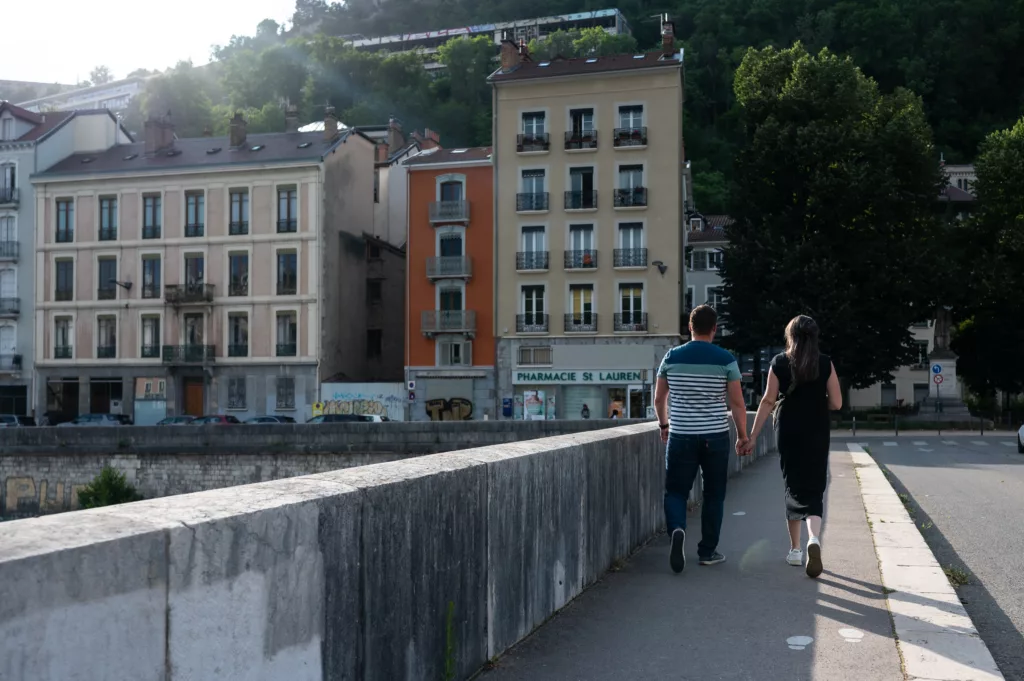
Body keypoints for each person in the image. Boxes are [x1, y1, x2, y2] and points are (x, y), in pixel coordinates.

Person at [745, 315, 842, 578]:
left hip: (788, 428)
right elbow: (837, 403)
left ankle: (795, 550)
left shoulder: (779, 362)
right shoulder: (825, 363)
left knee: (793, 484)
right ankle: (814, 539)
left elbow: (767, 401)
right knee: (814, 486)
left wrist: (752, 436)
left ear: (791, 336)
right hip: (817, 429)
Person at [654, 305, 749, 573]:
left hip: (681, 434)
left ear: (690, 328)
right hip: (715, 436)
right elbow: (738, 404)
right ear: (715, 329)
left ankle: (677, 530)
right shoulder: (726, 359)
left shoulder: (671, 356)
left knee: (675, 491)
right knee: (714, 495)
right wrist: (742, 436)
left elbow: (660, 398)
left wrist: (664, 424)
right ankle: (708, 551)